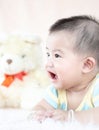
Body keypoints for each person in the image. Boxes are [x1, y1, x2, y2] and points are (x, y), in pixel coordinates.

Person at [31, 15, 99, 125]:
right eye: (48, 54)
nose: (48, 63)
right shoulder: (57, 91)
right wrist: (39, 114)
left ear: (86, 65)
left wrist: (71, 116)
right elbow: (41, 106)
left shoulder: (96, 87)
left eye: (57, 56)